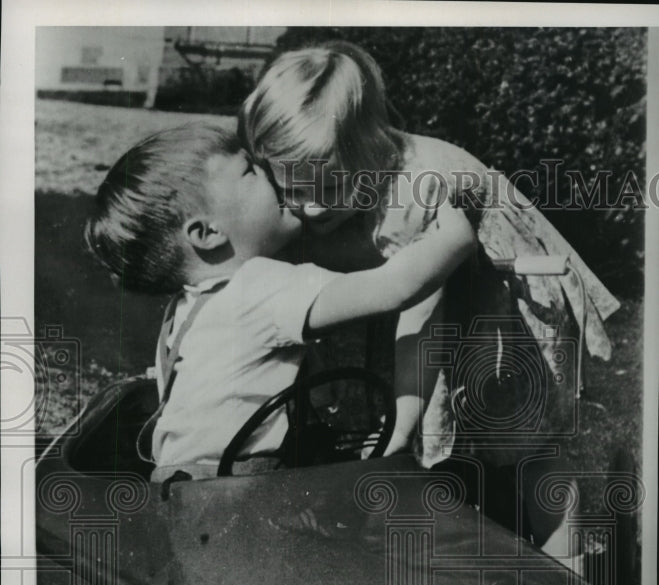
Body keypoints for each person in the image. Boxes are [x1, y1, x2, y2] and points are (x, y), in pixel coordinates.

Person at [239, 41, 619, 555]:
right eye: (290, 191)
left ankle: (566, 568)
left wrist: (400, 431)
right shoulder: (338, 175)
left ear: (368, 153)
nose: (304, 209)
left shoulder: (413, 196)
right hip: (437, 284)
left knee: (527, 438)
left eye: (324, 189)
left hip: (503, 291)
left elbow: (421, 327)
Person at [84, 121, 473, 479]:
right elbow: (394, 289)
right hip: (239, 486)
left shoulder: (186, 310)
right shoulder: (260, 287)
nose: (273, 174)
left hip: (179, 481)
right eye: (251, 171)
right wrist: (451, 233)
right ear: (207, 232)